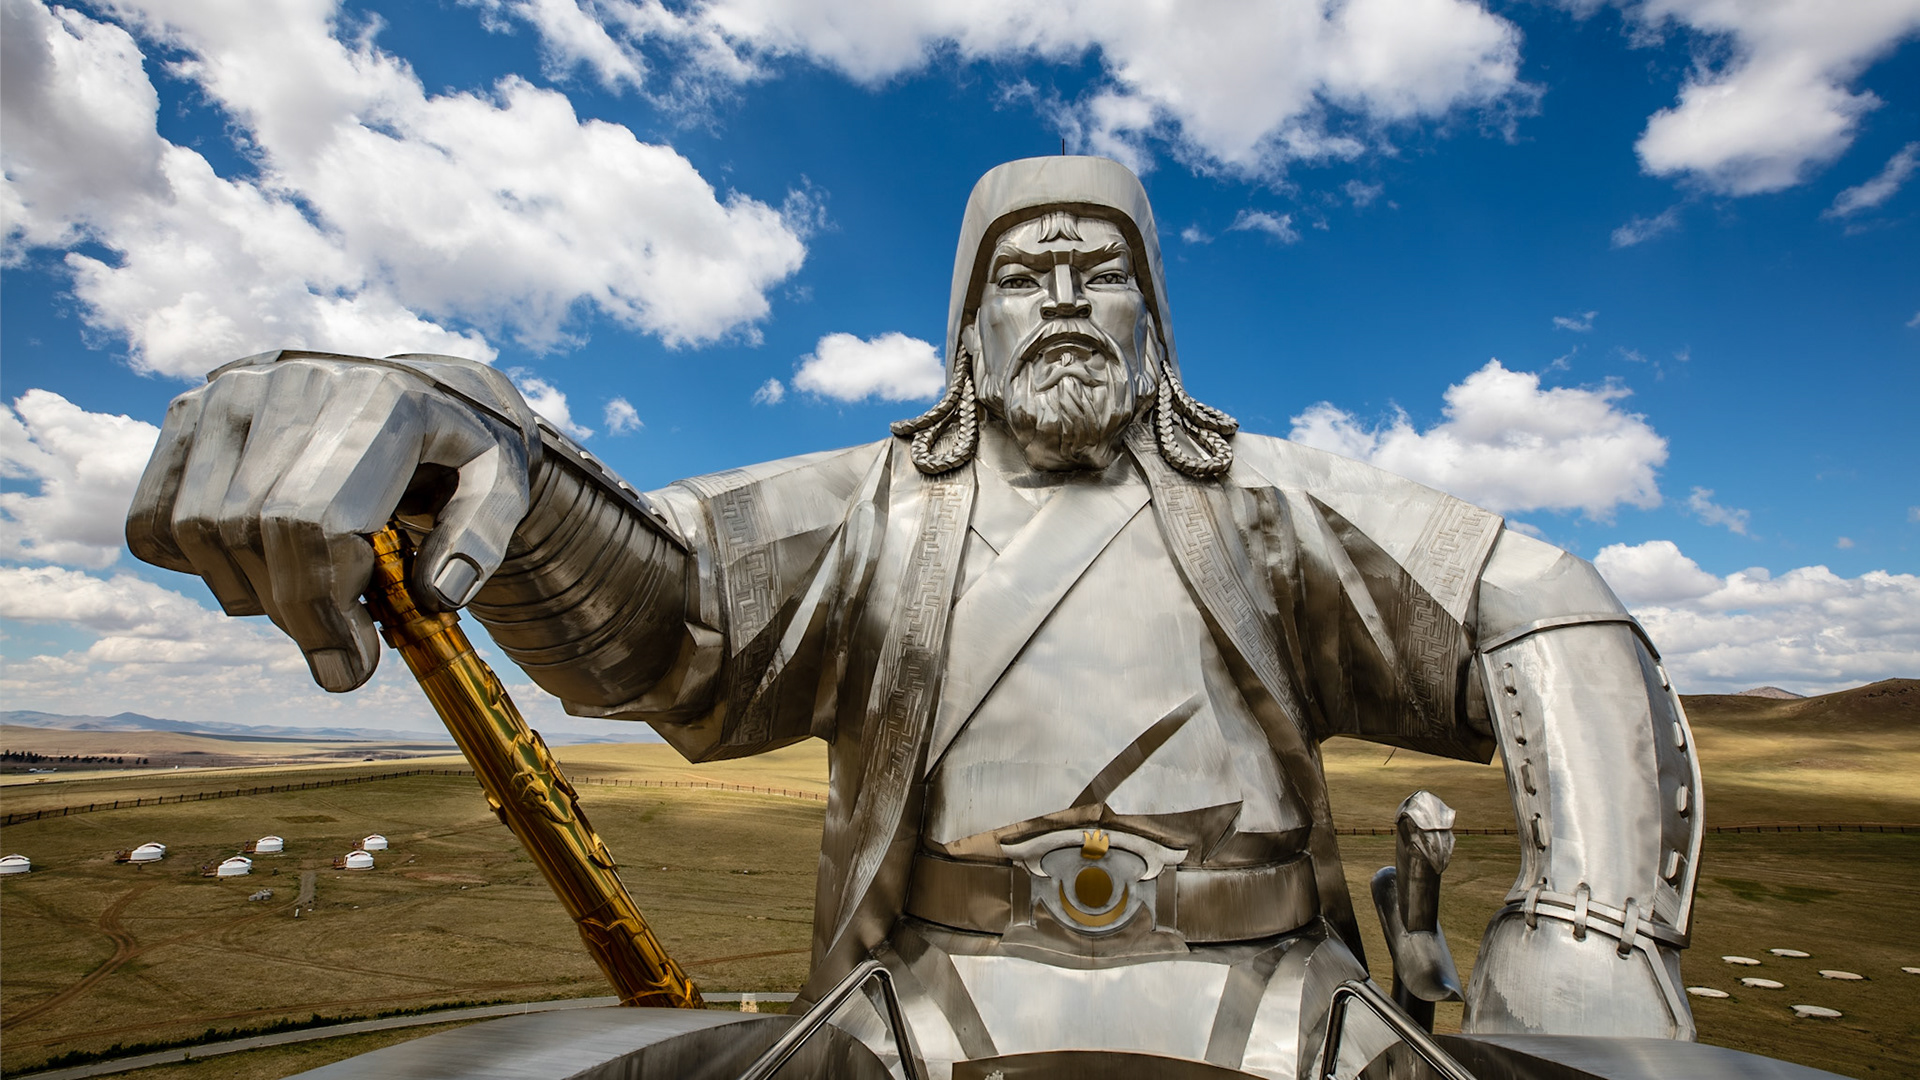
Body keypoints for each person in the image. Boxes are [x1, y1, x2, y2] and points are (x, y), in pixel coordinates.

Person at [127, 156, 1701, 1079]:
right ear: (970, 328)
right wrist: (496, 452)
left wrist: (1593, 924)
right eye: (1025, 276)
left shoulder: (1269, 506)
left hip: (1288, 1012)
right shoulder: (878, 510)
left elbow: (1545, 604)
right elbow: (661, 618)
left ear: (1159, 321)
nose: (1067, 295)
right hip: (917, 1013)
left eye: (1102, 270)